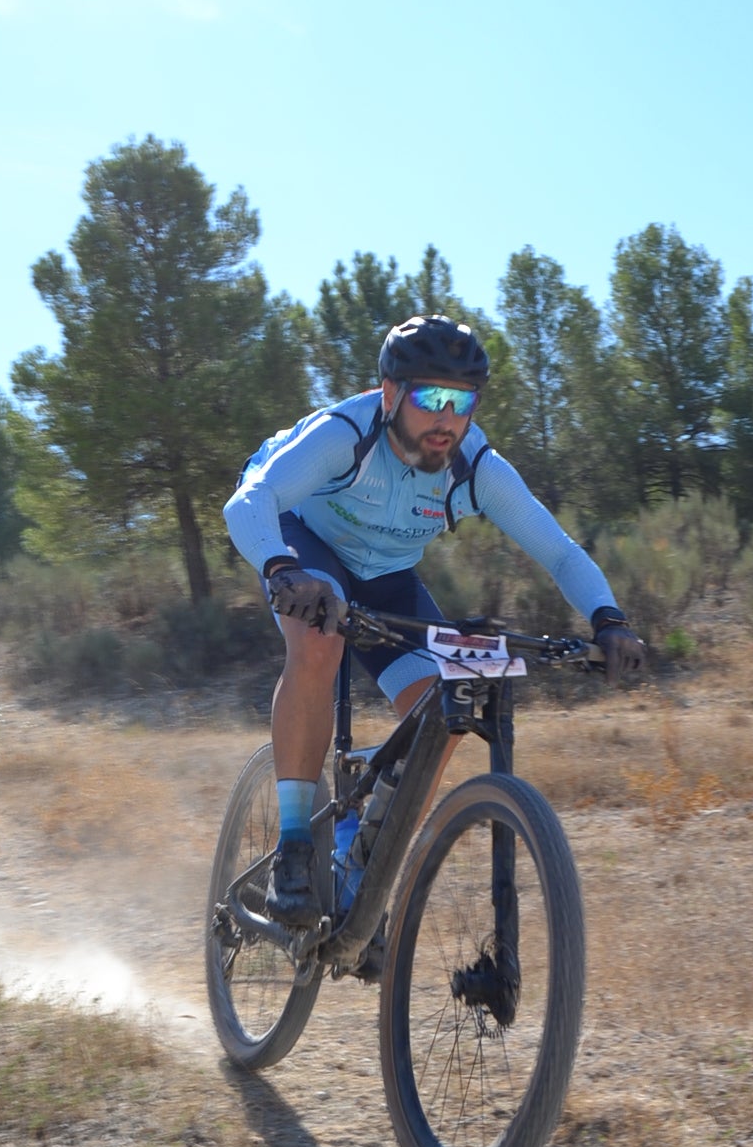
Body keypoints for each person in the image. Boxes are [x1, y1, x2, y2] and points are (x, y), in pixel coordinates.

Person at [223, 314, 645, 922]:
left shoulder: (477, 466)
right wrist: (279, 569)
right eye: (430, 397)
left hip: (386, 571)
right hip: (300, 538)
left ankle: (364, 856)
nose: (447, 418)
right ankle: (293, 846)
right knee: (319, 642)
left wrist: (609, 619)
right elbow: (251, 500)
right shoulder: (346, 434)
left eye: (463, 401)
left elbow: (558, 550)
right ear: (390, 393)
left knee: (443, 705)